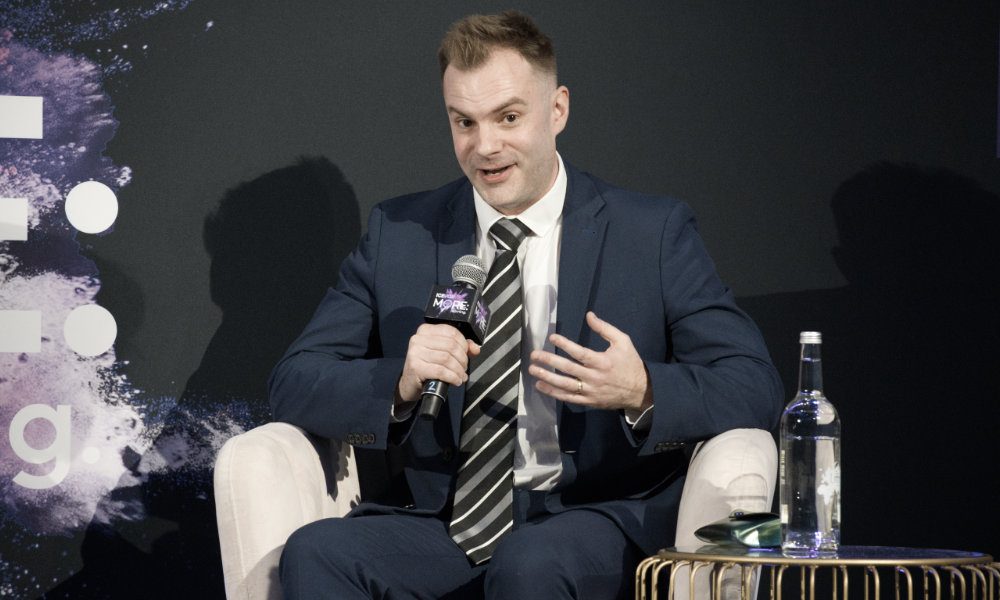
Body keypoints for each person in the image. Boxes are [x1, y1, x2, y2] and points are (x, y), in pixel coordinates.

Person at [269, 10, 782, 599]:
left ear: (557, 110)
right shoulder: (399, 233)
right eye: (464, 122)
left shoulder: (651, 233)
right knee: (317, 553)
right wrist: (401, 381)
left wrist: (643, 389)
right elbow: (294, 381)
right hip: (449, 524)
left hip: (593, 516)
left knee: (529, 564)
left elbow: (755, 384)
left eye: (508, 117)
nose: (485, 147)